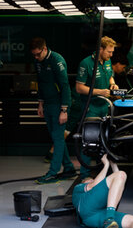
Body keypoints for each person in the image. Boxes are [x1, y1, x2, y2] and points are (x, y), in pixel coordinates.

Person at [30, 37, 76, 184]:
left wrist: (64, 109)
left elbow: (65, 86)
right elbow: (41, 83)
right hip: (47, 104)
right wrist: (40, 103)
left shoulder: (57, 60)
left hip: (58, 105)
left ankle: (53, 172)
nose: (36, 57)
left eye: (38, 54)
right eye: (34, 55)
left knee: (57, 138)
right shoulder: (38, 62)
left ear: (44, 49)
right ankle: (68, 168)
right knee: (57, 138)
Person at [76, 36, 119, 180]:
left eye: (112, 52)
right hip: (91, 107)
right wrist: (99, 92)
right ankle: (85, 175)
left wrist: (113, 84)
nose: (111, 55)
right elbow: (79, 88)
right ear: (100, 49)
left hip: (105, 106)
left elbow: (110, 77)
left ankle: (103, 171)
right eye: (109, 51)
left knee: (106, 139)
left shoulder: (108, 61)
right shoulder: (86, 63)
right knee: (89, 139)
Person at [72, 154, 133, 228]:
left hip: (96, 216)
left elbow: (119, 183)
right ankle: (109, 219)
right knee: (121, 174)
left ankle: (109, 219)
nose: (92, 180)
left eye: (93, 179)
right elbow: (93, 185)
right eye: (89, 180)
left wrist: (113, 164)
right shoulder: (78, 188)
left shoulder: (100, 196)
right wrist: (106, 165)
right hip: (87, 209)